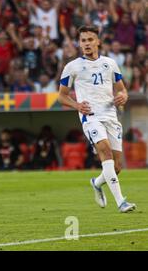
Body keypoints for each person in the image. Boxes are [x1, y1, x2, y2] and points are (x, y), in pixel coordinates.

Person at [58, 25, 135, 213]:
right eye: (83, 40)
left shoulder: (110, 63)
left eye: (90, 40)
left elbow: (121, 89)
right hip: (90, 117)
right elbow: (61, 96)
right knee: (105, 152)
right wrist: (77, 106)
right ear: (79, 43)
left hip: (110, 116)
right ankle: (121, 202)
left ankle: (97, 183)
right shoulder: (72, 67)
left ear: (98, 42)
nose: (87, 44)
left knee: (116, 167)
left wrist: (123, 96)